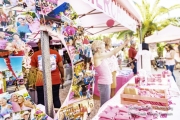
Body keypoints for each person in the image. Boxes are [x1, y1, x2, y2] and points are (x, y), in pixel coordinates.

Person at [91, 37, 131, 106]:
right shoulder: (98, 56)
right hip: (104, 83)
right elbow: (113, 52)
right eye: (103, 47)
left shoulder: (99, 56)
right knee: (104, 104)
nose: (104, 49)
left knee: (105, 103)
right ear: (98, 49)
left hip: (105, 82)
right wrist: (124, 44)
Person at [30, 36, 64, 108]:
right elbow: (61, 66)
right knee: (55, 99)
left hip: (40, 81)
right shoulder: (55, 53)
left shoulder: (35, 55)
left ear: (40, 43)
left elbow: (32, 70)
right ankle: (57, 116)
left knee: (41, 101)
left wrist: (32, 82)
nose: (37, 44)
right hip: (54, 81)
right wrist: (63, 76)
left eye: (38, 43)